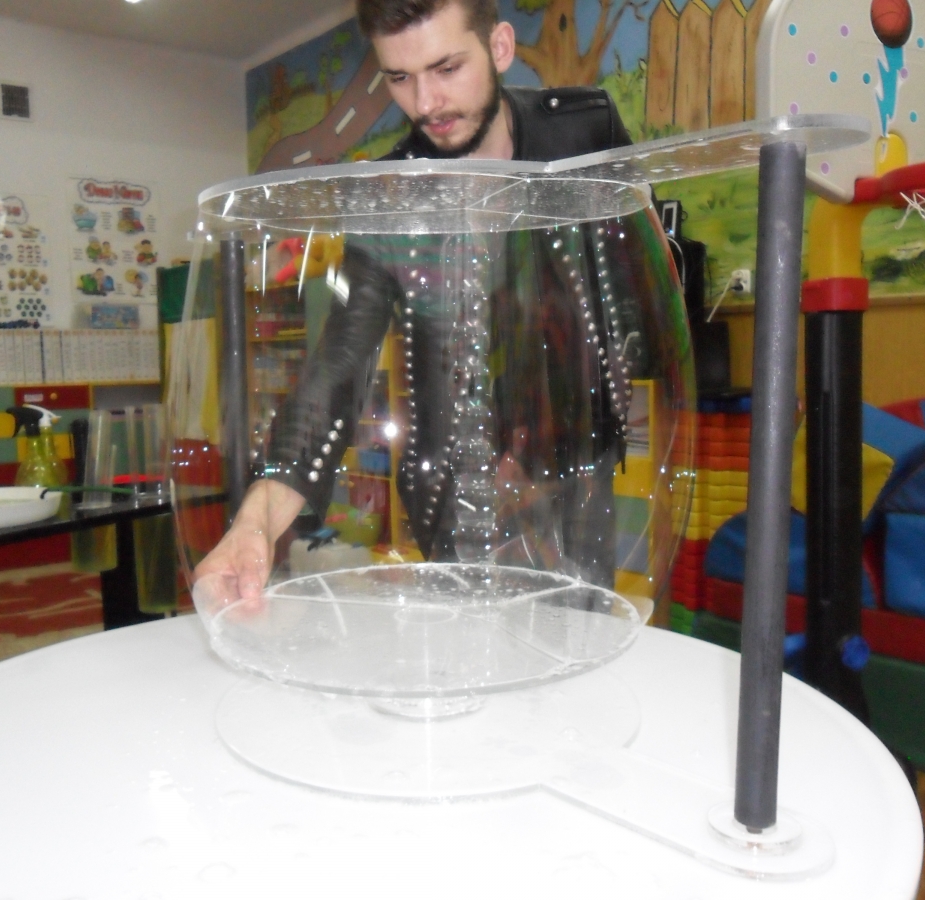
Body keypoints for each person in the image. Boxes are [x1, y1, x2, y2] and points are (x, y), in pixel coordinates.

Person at [193, 0, 636, 609]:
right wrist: (256, 521)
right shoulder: (389, 195)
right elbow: (341, 359)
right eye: (399, 77)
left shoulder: (585, 131)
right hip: (453, 493)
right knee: (467, 655)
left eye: (447, 68)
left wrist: (572, 422)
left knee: (580, 639)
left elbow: (629, 284)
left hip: (575, 468)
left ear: (500, 47)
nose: (426, 103)